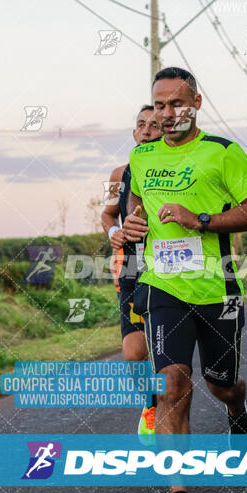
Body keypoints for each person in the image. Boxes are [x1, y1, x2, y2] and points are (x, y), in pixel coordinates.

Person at [123, 67, 247, 493]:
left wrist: (199, 220)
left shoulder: (222, 153)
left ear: (196, 103)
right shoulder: (142, 158)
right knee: (171, 385)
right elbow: (135, 206)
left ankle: (235, 409)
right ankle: (179, 491)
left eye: (176, 104)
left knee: (220, 384)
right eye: (160, 105)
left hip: (217, 289)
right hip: (163, 288)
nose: (167, 114)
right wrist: (132, 222)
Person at [101, 105, 162, 444]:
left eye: (154, 125)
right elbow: (108, 215)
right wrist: (115, 234)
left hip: (172, 267)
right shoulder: (117, 174)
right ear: (134, 132)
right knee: (134, 354)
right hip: (132, 267)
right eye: (141, 124)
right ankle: (150, 405)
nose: (147, 130)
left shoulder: (177, 170)